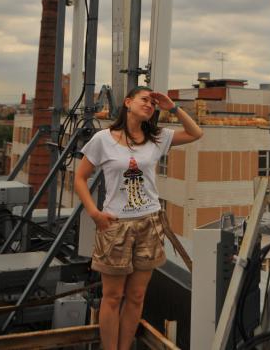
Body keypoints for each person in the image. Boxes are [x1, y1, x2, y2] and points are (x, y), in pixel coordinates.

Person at [74, 86, 203, 350]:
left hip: (149, 222)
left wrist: (173, 107)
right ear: (127, 102)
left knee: (136, 296)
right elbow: (80, 177)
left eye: (152, 103)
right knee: (112, 296)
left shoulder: (156, 138)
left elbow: (195, 133)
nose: (149, 105)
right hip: (116, 224)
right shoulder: (103, 139)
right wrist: (94, 213)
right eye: (144, 100)